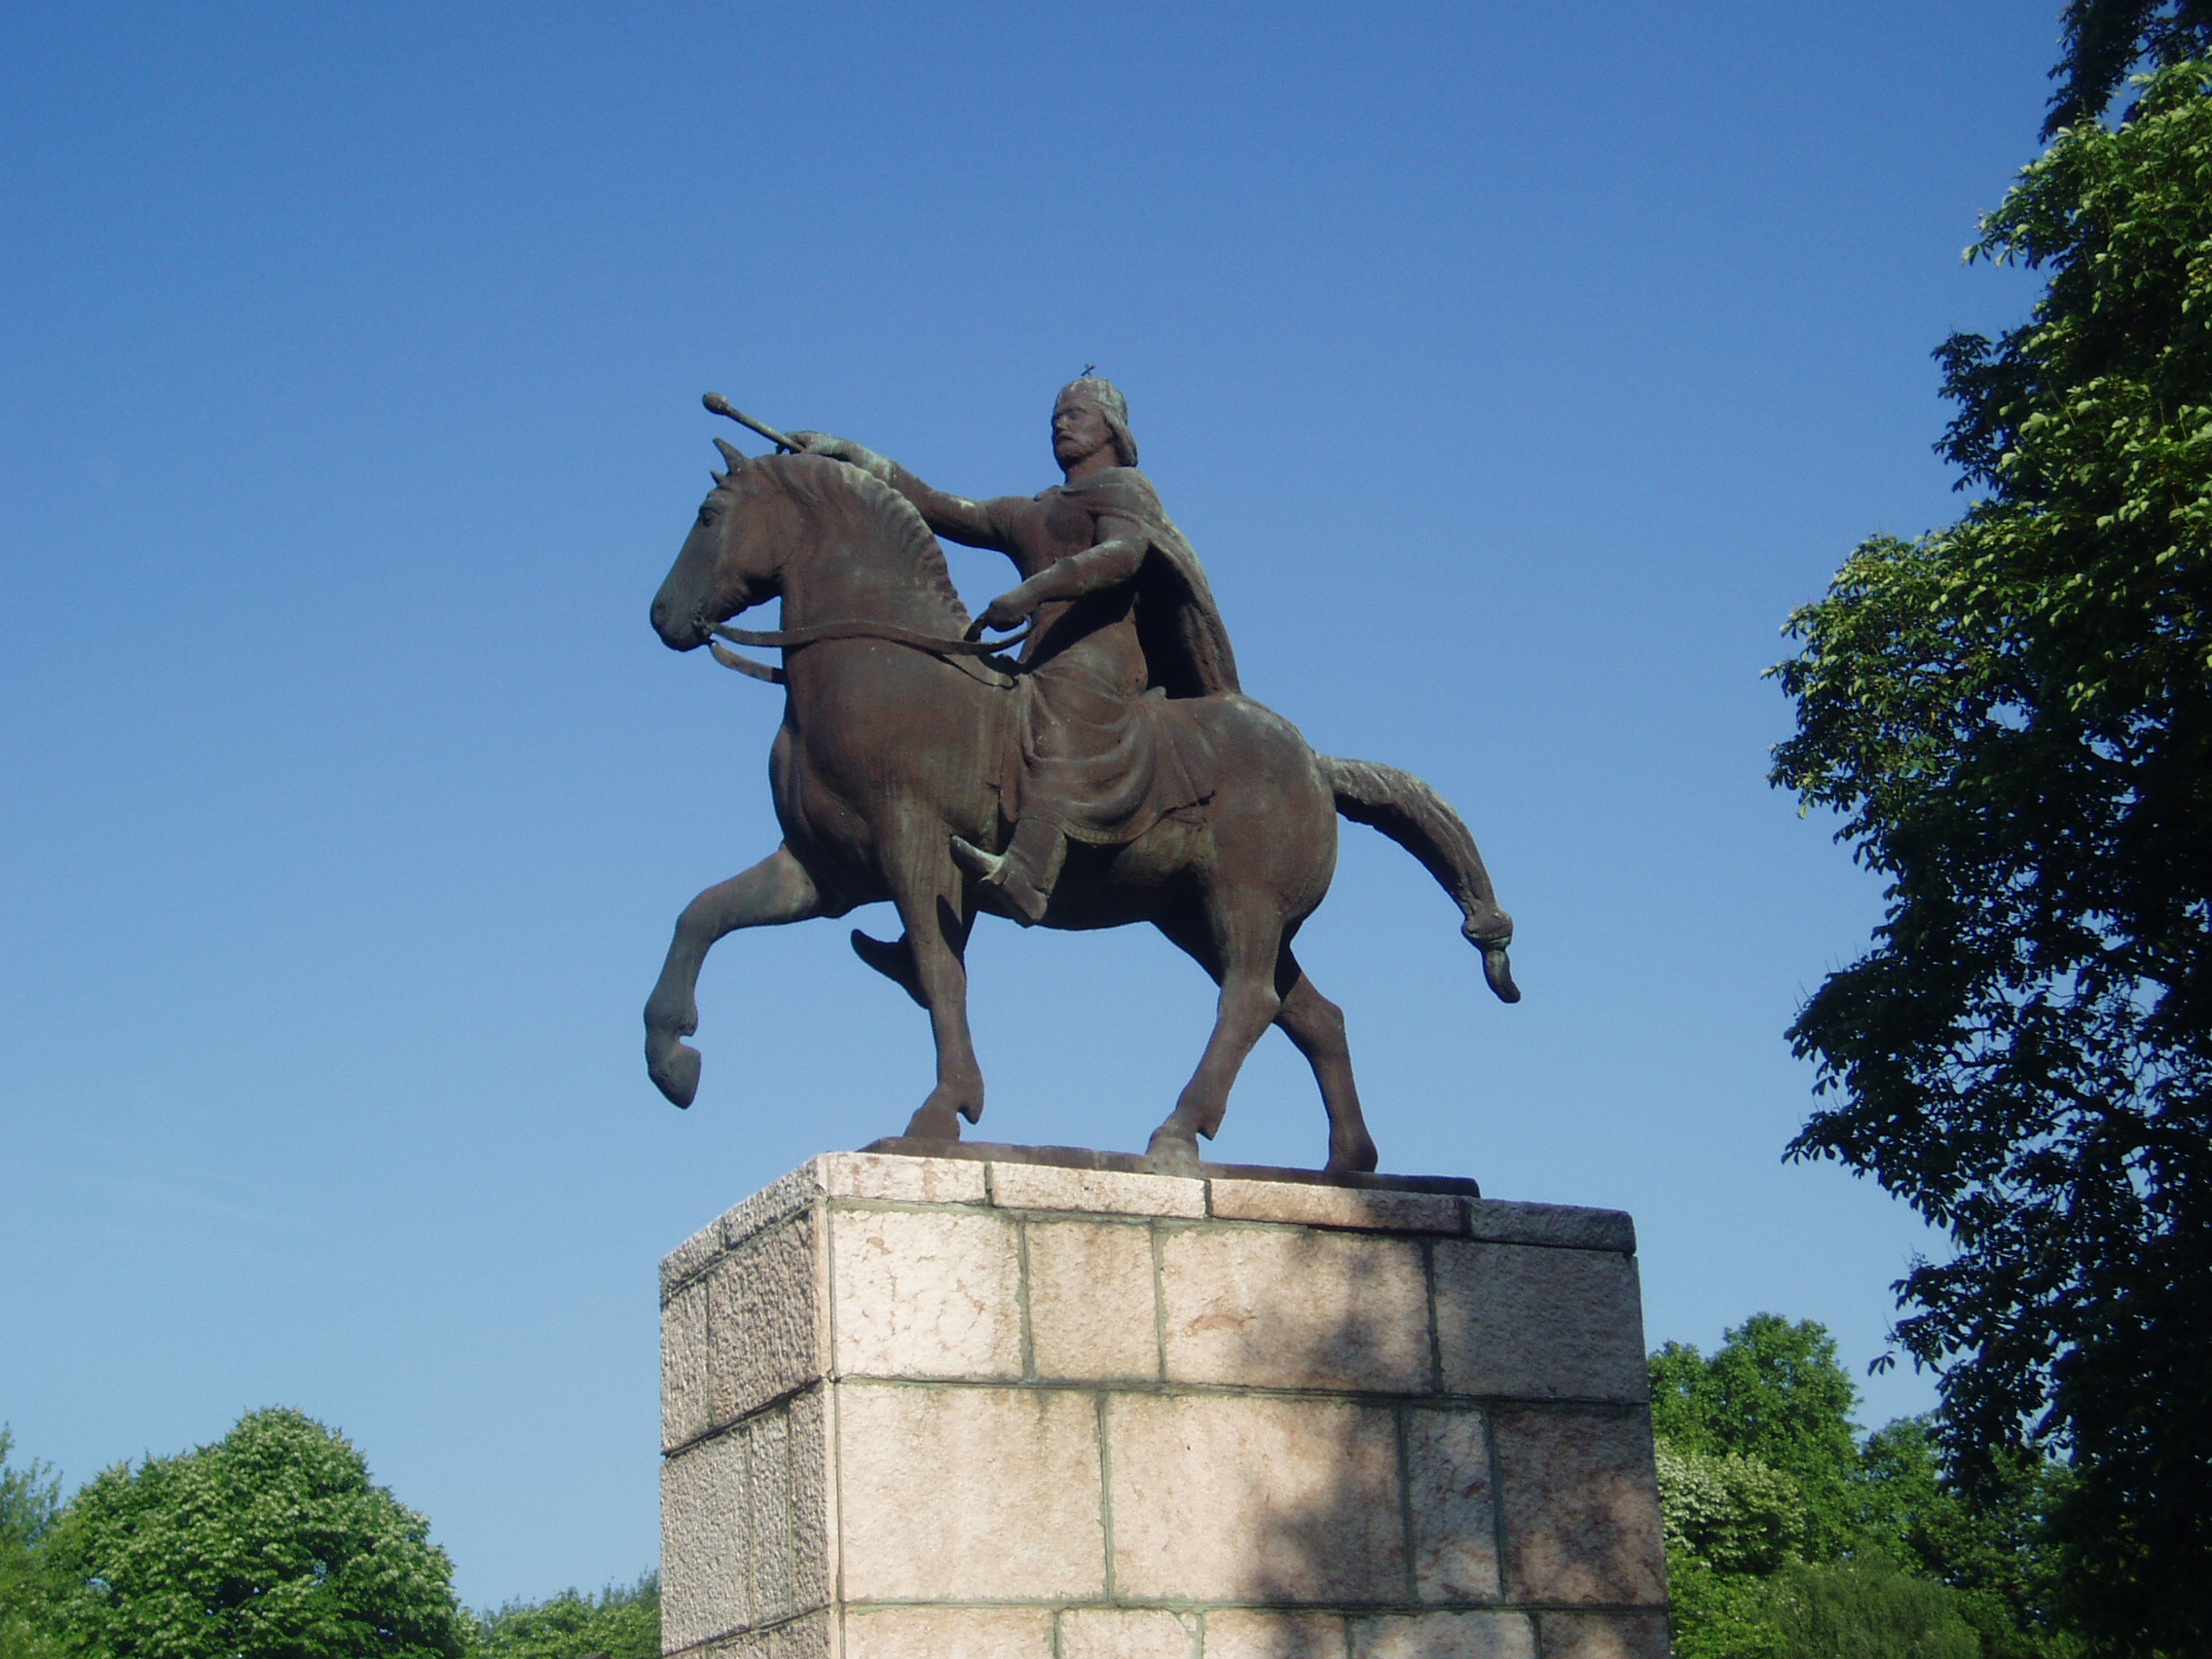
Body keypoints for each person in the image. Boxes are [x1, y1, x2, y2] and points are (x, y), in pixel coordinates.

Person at [794, 377, 1238, 923]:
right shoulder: (1033, 510)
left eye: (1075, 414)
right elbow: (941, 506)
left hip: (1100, 659)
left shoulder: (1125, 489)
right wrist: (852, 457)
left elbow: (1122, 555)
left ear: (1111, 428)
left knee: (1064, 712)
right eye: (1055, 417)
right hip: (1038, 660)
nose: (1060, 424)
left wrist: (1031, 591)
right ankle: (934, 932)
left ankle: (1030, 872)